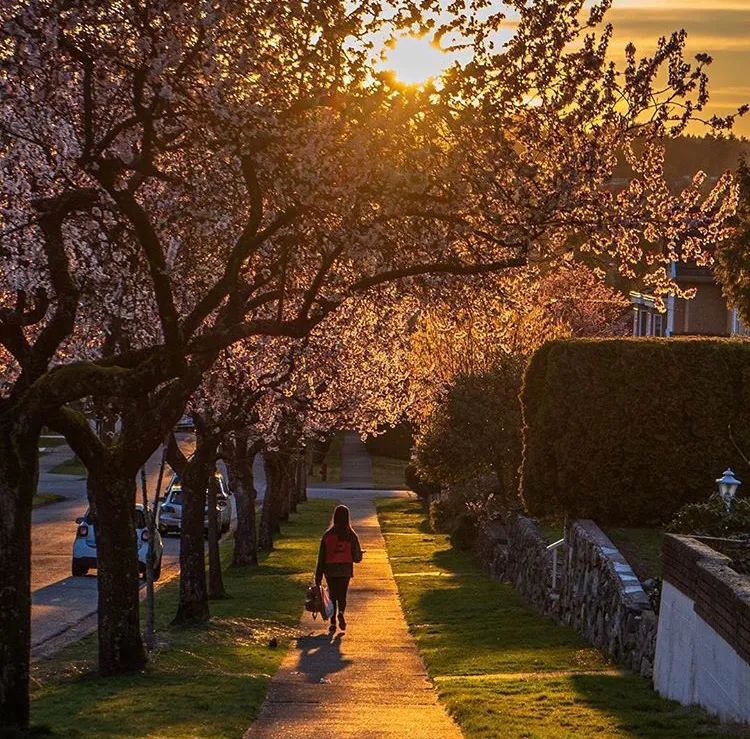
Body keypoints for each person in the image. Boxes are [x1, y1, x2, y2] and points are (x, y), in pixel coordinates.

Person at [314, 504, 363, 633]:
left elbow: (321, 557)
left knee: (332, 595)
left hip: (330, 569)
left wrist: (318, 576)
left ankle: (333, 622)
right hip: (345, 569)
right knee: (342, 595)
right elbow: (357, 558)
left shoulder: (327, 535)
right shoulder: (351, 536)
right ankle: (341, 612)